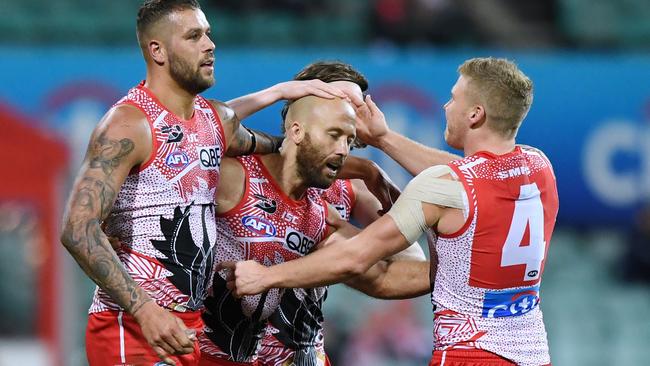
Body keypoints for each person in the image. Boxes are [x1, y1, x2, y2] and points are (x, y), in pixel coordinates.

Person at [59, 1, 345, 365]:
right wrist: (145, 311)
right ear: (157, 50)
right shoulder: (129, 124)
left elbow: (290, 151)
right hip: (135, 324)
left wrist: (354, 160)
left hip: (188, 326)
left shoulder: (213, 121)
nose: (209, 44)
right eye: (194, 36)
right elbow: (77, 228)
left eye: (208, 33)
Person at [226, 57, 560, 366]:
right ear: (298, 117)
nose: (354, 118)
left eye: (355, 112)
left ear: (475, 114)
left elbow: (386, 266)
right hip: (529, 350)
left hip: (465, 353)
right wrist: (375, 153)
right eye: (339, 105)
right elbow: (195, 134)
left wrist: (341, 236)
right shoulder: (537, 163)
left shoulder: (354, 190)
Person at [198, 93, 430, 366]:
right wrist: (280, 90)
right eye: (334, 134)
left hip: (302, 357)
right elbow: (195, 131)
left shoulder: (325, 208)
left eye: (349, 138)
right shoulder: (235, 175)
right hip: (210, 354)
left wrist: (350, 234)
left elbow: (391, 272)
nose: (344, 149)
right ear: (297, 129)